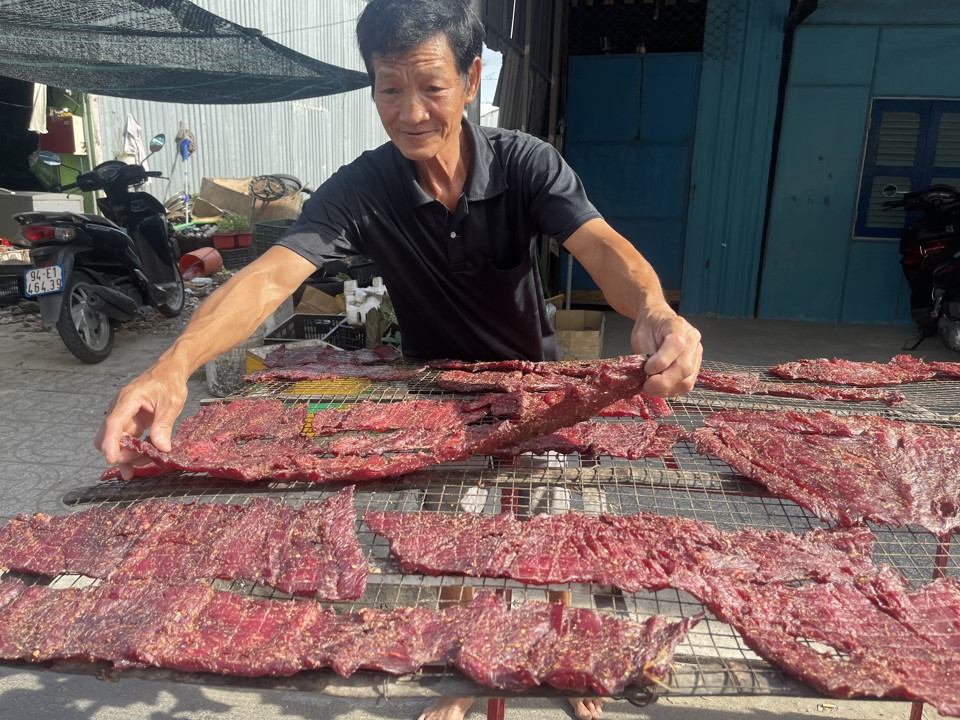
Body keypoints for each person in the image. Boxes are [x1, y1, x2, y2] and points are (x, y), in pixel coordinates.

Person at [96, 0, 703, 718]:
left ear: (471, 80)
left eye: (431, 87)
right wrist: (174, 365)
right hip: (427, 403)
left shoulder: (525, 163)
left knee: (546, 529)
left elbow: (602, 247)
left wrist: (656, 308)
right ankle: (459, 667)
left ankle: (561, 653)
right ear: (373, 88)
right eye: (390, 88)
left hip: (537, 390)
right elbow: (269, 277)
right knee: (449, 540)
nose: (411, 111)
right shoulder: (364, 186)